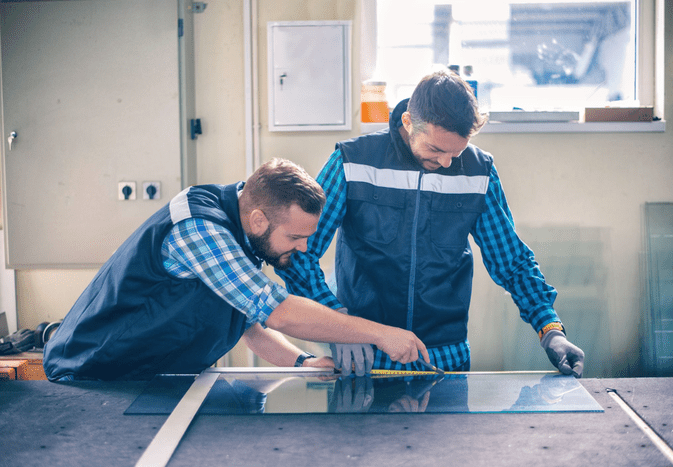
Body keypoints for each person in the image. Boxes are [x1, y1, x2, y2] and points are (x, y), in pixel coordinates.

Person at [277, 70, 585, 378]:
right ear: (408, 122)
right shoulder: (352, 162)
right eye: (436, 149)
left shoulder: (479, 172)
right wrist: (337, 324)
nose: (447, 163)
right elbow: (299, 252)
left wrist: (550, 329)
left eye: (457, 152)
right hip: (367, 355)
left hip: (446, 357)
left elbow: (512, 261)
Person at [43, 158, 429, 381]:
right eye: (295, 237)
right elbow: (277, 312)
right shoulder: (197, 227)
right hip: (90, 375)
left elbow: (250, 327)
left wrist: (304, 363)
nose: (304, 247)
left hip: (148, 378)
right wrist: (381, 334)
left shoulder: (243, 231)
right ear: (260, 220)